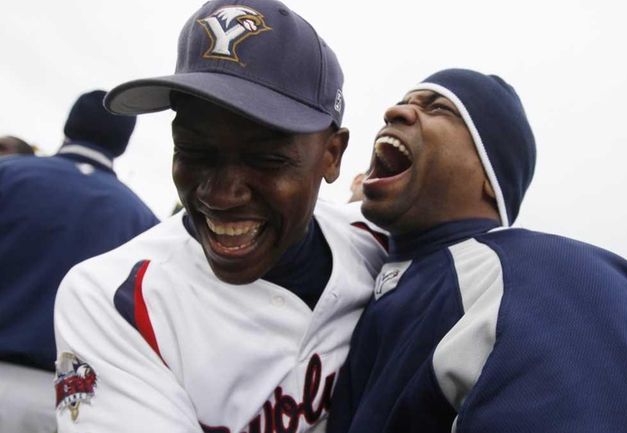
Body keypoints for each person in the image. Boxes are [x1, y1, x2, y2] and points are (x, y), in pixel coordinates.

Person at [52, 1, 385, 432]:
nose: (222, 194)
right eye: (194, 152)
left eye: (266, 158)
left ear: (332, 154)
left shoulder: (375, 245)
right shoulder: (113, 298)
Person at [327, 69, 627, 433]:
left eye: (439, 108)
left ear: (491, 177)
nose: (396, 112)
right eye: (405, 102)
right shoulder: (375, 275)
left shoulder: (550, 277)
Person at [0, 90, 159, 433]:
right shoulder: (145, 223)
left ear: (70, 124)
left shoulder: (8, 175)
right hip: (72, 405)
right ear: (122, 143)